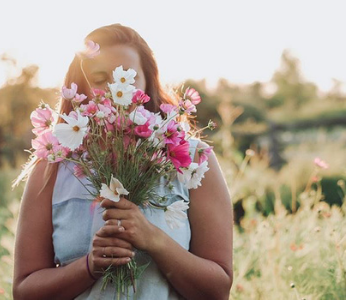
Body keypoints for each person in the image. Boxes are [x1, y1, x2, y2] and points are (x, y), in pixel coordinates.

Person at [12, 23, 233, 300]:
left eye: (127, 78)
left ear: (148, 83)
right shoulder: (53, 166)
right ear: (80, 88)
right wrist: (90, 267)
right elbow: (24, 292)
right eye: (100, 78)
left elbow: (218, 291)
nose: (117, 89)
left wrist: (154, 240)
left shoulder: (194, 161)